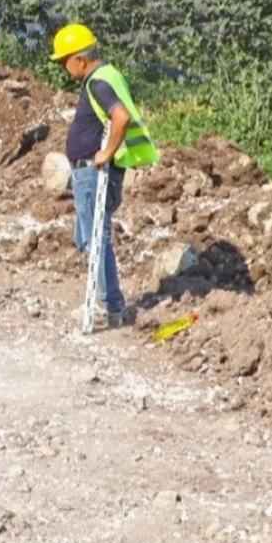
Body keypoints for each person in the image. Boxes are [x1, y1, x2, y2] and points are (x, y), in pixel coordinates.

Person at [49, 23, 160, 329]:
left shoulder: (98, 82)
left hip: (95, 173)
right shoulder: (104, 77)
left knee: (96, 239)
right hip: (88, 173)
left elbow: (120, 117)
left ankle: (110, 305)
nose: (63, 67)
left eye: (64, 61)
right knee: (86, 237)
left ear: (80, 59)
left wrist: (106, 152)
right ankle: (107, 300)